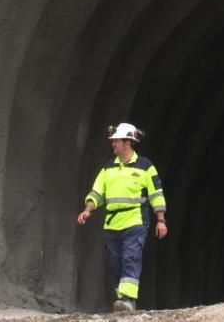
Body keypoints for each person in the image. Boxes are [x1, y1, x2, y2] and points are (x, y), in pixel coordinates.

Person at [77, 123, 167, 312]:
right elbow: (96, 193)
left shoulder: (146, 167)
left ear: (127, 143)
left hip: (135, 220)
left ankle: (128, 300)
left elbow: (156, 194)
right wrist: (87, 210)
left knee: (130, 257)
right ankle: (122, 300)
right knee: (114, 263)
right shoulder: (108, 169)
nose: (113, 144)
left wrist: (160, 220)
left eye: (116, 141)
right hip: (112, 223)